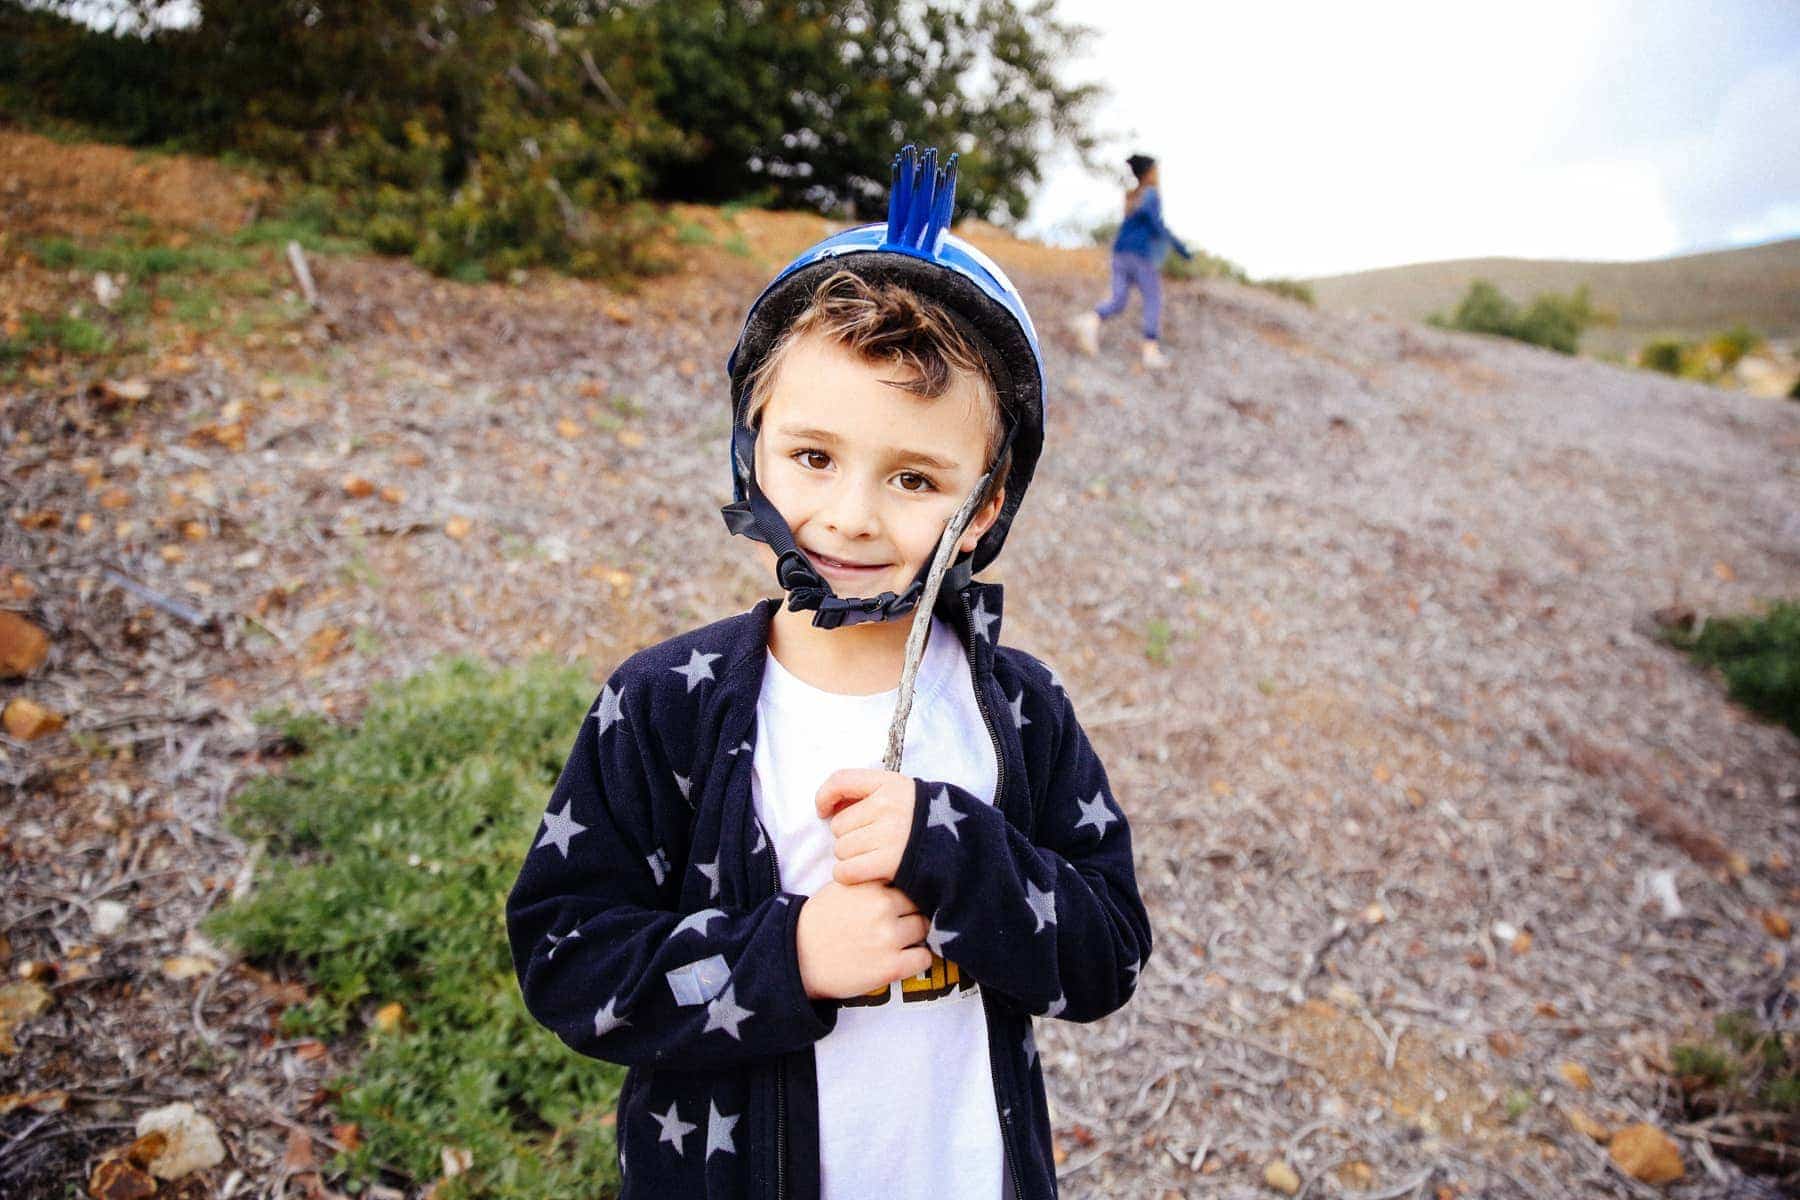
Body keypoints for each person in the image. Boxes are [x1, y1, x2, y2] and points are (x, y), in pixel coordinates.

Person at [505, 145, 1151, 1200]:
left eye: (913, 476)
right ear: (751, 448)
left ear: (985, 505)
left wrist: (955, 847)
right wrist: (789, 953)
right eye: (813, 456)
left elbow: (1106, 956)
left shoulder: (1020, 712)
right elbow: (570, 960)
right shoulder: (667, 703)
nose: (850, 514)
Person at [1070, 152, 1193, 370]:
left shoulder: (1131, 196)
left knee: (1119, 299)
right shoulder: (1151, 195)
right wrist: (1181, 248)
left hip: (1120, 252)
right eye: (1156, 171)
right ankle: (1150, 351)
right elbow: (1156, 224)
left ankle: (1090, 321)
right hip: (1140, 255)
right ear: (1149, 173)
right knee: (1153, 298)